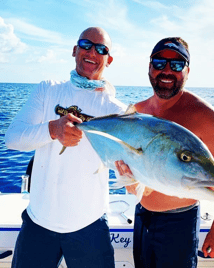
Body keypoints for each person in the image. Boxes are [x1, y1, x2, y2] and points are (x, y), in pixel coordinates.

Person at [115, 37, 214, 268]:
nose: (166, 70)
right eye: (159, 62)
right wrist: (129, 179)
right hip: (142, 216)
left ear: (187, 70)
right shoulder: (136, 112)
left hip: (179, 224)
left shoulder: (202, 115)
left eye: (176, 64)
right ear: (149, 67)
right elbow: (133, 172)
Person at [5, 27, 127, 268]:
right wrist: (53, 130)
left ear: (108, 59)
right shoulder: (47, 89)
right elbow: (12, 138)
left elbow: (128, 164)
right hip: (37, 225)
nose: (93, 52)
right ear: (74, 50)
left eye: (101, 49)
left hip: (90, 228)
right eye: (86, 44)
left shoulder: (118, 111)